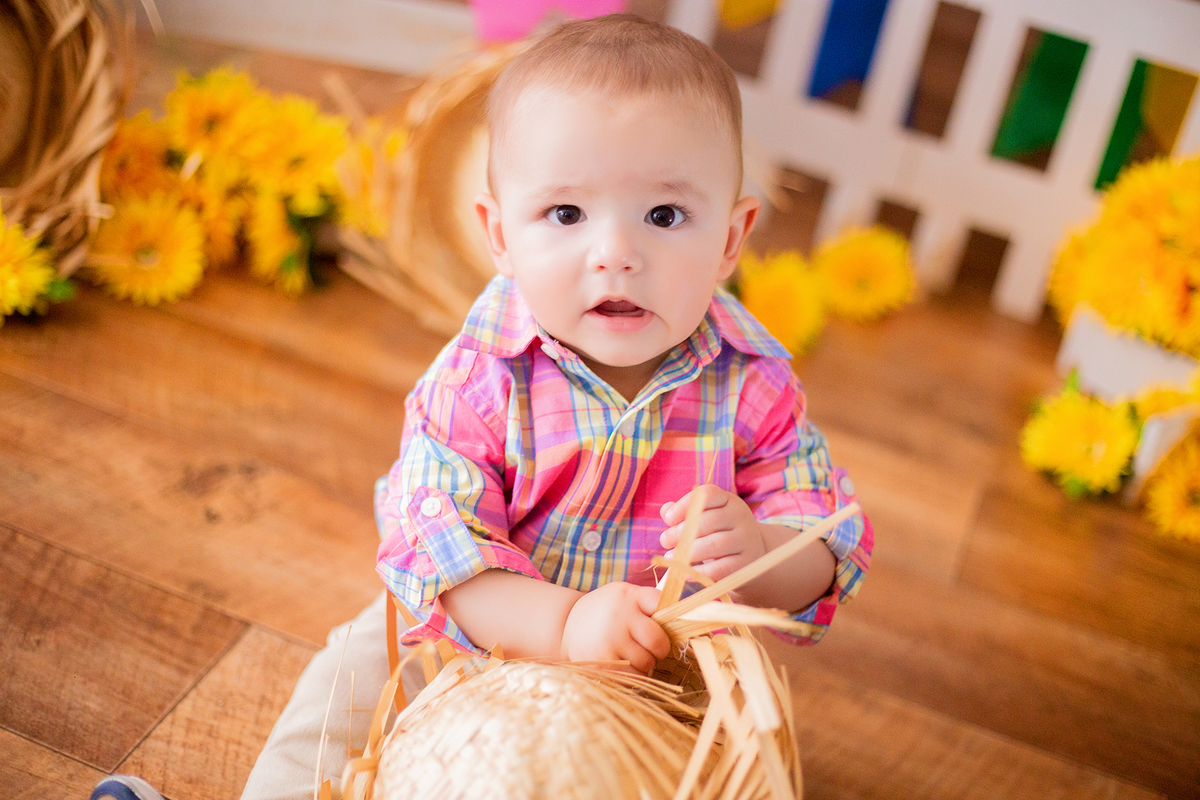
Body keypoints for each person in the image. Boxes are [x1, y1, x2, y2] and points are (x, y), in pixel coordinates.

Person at [110, 13, 868, 800]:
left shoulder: (753, 384)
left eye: (665, 216)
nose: (616, 252)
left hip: (660, 676)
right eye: (566, 215)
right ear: (499, 235)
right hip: (470, 642)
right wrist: (567, 627)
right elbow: (447, 557)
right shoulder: (478, 380)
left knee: (729, 763)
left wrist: (765, 554)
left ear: (732, 239)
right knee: (350, 677)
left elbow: (829, 535)